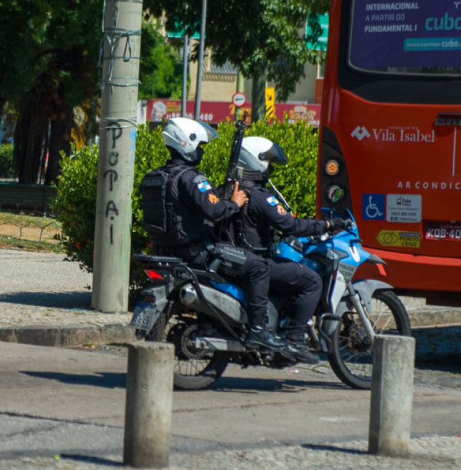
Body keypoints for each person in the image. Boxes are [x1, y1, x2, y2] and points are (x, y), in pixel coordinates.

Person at [140, 117, 291, 354]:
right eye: (199, 145)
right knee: (258, 267)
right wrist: (234, 203)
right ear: (186, 143)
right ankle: (259, 331)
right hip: (197, 252)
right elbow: (215, 211)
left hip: (163, 251)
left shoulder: (152, 177)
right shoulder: (191, 178)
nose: (201, 151)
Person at [230, 136, 349, 364]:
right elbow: (290, 225)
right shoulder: (259, 196)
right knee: (312, 281)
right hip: (256, 260)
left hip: (237, 258)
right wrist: (326, 224)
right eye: (270, 164)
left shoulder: (232, 189)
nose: (271, 169)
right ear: (257, 161)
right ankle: (295, 341)